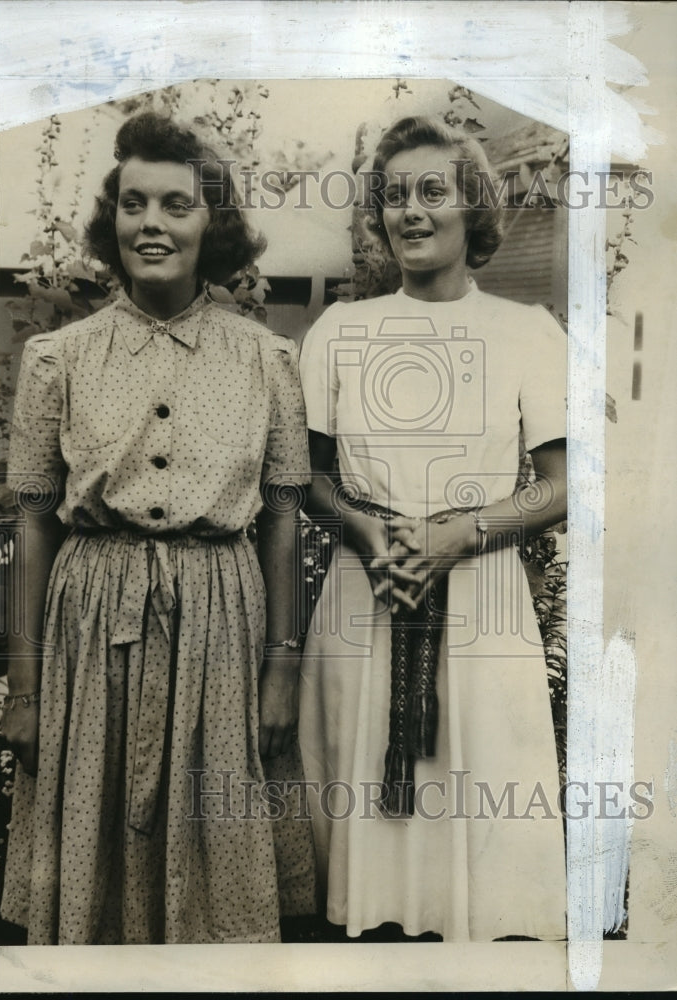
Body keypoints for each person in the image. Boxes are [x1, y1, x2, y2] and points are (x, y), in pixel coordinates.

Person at [0, 112, 315, 944]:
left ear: (212, 223)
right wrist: (24, 691)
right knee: (93, 850)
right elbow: (33, 528)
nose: (152, 224)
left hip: (220, 627)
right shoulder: (56, 360)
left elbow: (281, 520)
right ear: (113, 222)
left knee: (213, 859)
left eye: (177, 205)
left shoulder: (266, 361)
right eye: (134, 204)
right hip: (90, 629)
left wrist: (282, 668)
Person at [298, 115, 568, 942]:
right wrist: (365, 531)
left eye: (431, 192)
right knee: (360, 853)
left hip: (480, 609)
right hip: (363, 595)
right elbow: (303, 479)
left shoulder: (526, 332)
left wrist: (463, 532)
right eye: (392, 196)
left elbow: (563, 486)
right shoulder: (341, 332)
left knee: (480, 832)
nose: (409, 211)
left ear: (470, 208)